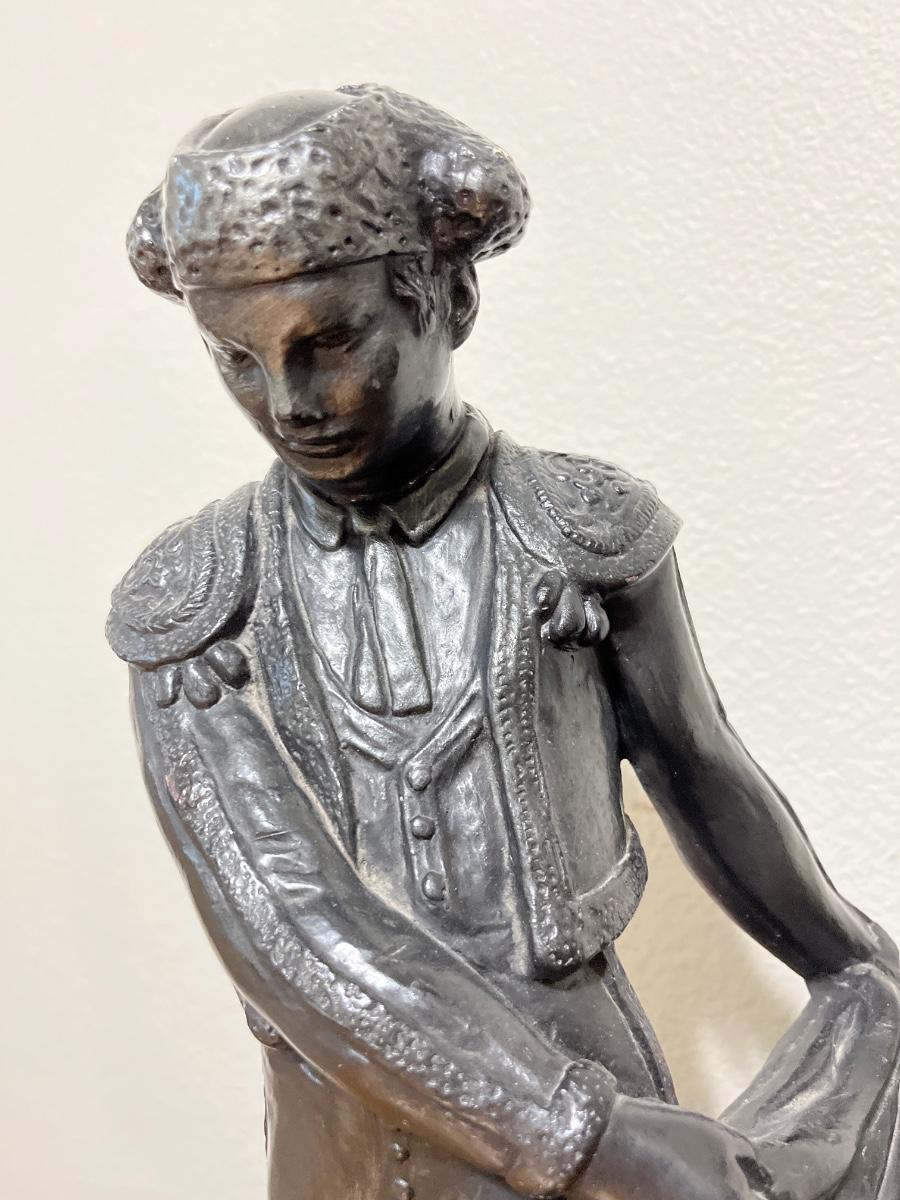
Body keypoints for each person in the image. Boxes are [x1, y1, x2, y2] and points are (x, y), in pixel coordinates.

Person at [108, 84, 899, 1200]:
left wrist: (858, 966)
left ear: (450, 297)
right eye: (236, 358)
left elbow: (706, 770)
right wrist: (596, 1139)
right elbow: (294, 932)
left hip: (595, 1087)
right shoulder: (194, 604)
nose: (290, 402)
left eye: (330, 342)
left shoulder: (585, 535)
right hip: (356, 1142)